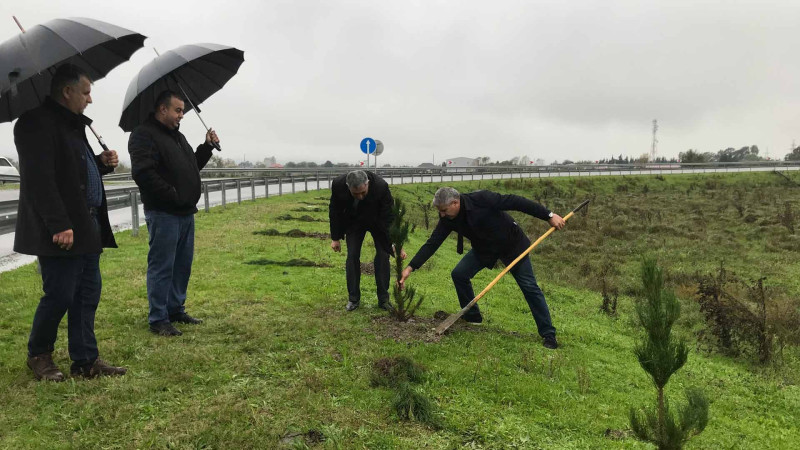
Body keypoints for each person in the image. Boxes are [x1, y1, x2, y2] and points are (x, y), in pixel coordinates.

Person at [14, 64, 127, 381]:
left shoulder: (73, 125)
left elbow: (73, 174)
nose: (90, 99)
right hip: (62, 229)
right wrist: (58, 224)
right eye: (86, 92)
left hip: (86, 224)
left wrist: (100, 165)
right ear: (67, 91)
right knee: (60, 294)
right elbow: (40, 181)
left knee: (87, 294)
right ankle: (39, 355)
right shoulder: (35, 124)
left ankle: (86, 360)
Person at [398, 187, 566, 349]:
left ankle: (548, 334)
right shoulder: (447, 219)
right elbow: (433, 242)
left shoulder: (482, 199)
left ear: (455, 203)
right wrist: (411, 267)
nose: (441, 215)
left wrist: (549, 215)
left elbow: (517, 202)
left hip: (512, 245)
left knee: (529, 286)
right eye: (439, 211)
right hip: (484, 249)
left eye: (443, 210)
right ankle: (473, 317)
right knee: (459, 274)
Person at [128, 90, 219, 336]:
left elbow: (191, 167)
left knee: (181, 265)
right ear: (162, 109)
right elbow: (144, 174)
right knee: (162, 266)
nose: (182, 115)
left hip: (185, 213)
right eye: (178, 110)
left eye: (183, 111)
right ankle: (158, 318)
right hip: (164, 212)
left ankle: (175, 308)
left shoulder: (177, 137)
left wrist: (207, 147)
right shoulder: (143, 135)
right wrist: (173, 195)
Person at [329, 170, 404, 311]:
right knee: (352, 255)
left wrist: (393, 243)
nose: (360, 197)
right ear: (347, 186)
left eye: (363, 192)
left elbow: (389, 216)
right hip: (353, 222)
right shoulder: (338, 184)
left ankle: (383, 300)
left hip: (378, 222)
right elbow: (335, 211)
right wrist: (335, 238)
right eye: (355, 194)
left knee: (383, 255)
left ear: (367, 183)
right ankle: (353, 299)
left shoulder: (381, 187)